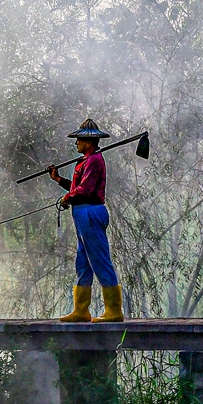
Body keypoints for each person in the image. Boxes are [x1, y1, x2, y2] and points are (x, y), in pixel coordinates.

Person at [48, 118, 123, 323]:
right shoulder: (85, 161)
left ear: (89, 142)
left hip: (90, 212)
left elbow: (85, 191)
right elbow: (76, 188)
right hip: (81, 213)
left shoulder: (94, 161)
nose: (76, 144)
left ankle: (114, 311)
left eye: (79, 140)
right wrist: (58, 180)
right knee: (83, 263)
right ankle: (81, 310)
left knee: (99, 260)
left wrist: (66, 198)